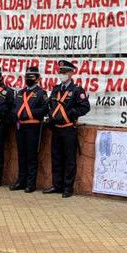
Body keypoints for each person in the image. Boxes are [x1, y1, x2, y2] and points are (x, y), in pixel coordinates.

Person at [44, 60, 91, 197]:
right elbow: (51, 105)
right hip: (56, 129)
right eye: (60, 72)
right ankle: (57, 185)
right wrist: (51, 116)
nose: (62, 74)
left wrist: (69, 113)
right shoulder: (56, 89)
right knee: (56, 158)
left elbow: (85, 107)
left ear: (71, 73)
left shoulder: (77, 90)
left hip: (68, 129)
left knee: (69, 159)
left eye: (64, 72)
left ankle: (67, 188)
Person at [11, 66, 48, 193]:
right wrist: (16, 114)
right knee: (22, 155)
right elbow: (14, 107)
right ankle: (21, 181)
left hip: (33, 127)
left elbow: (44, 109)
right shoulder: (20, 93)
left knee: (31, 155)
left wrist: (29, 113)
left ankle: (30, 184)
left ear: (37, 79)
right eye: (26, 76)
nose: (28, 79)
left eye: (31, 77)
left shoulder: (41, 93)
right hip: (20, 127)